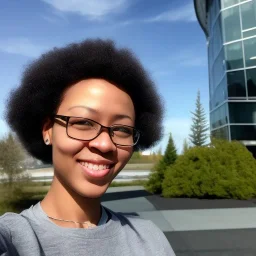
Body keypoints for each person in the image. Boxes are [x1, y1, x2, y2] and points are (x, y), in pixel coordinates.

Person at [0, 39, 176, 256]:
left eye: (122, 129)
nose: (104, 144)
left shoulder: (149, 239)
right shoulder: (13, 238)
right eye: (83, 123)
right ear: (48, 130)